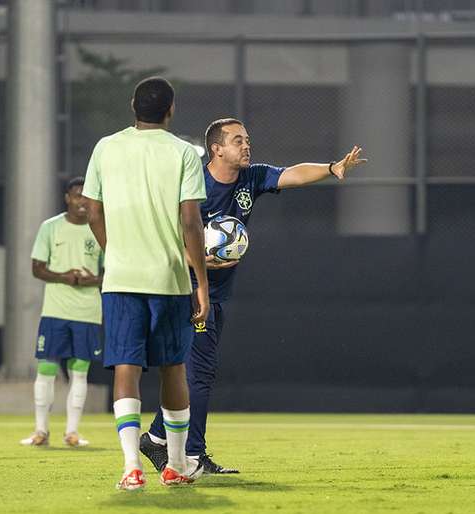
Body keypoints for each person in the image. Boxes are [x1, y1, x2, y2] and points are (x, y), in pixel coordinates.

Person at [141, 118, 366, 474]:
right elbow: (163, 234)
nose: (246, 146)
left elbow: (291, 174)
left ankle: (156, 437)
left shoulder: (251, 177)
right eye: (237, 141)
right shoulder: (192, 183)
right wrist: (194, 258)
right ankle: (191, 455)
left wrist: (331, 167)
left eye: (247, 139)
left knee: (197, 372)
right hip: (186, 289)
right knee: (199, 373)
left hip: (219, 292)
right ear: (216, 149)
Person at [82, 76, 209, 490]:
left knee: (126, 367)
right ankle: (174, 465)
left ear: (133, 106)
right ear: (170, 110)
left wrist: (112, 251)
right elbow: (190, 221)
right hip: (169, 279)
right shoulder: (184, 153)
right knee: (173, 369)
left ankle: (131, 467)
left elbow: (92, 211)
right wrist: (201, 282)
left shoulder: (106, 147)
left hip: (120, 279)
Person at [19, 177, 103, 448]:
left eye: (86, 196)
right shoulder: (51, 227)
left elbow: (112, 269)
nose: (81, 201)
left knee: (79, 373)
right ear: (68, 197)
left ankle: (72, 432)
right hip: (55, 311)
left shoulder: (99, 228)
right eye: (77, 195)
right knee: (45, 369)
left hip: (88, 312)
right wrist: (64, 276)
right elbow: (37, 268)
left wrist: (92, 280)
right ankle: (41, 430)